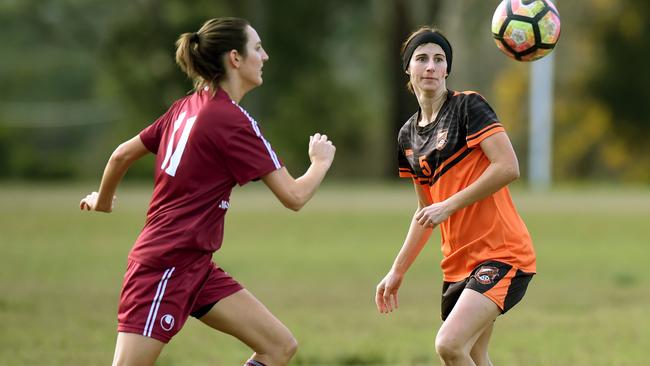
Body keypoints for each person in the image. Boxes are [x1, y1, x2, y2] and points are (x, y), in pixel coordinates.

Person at [79, 17, 335, 366]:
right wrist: (319, 163)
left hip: (196, 265)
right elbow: (294, 196)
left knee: (278, 346)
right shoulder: (233, 122)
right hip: (165, 265)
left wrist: (104, 201)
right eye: (257, 48)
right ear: (235, 58)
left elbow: (121, 154)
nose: (266, 56)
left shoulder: (186, 106)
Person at [374, 26, 536, 366]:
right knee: (474, 354)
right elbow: (425, 212)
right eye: (421, 59)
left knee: (449, 344)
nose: (430, 66)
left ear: (447, 69)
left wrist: (449, 205)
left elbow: (508, 167)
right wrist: (397, 270)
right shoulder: (407, 136)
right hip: (457, 263)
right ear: (408, 68)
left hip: (502, 254)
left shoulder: (468, 107)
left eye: (439, 59)